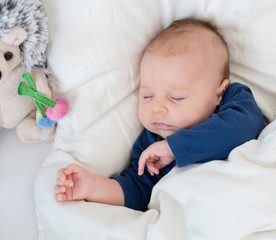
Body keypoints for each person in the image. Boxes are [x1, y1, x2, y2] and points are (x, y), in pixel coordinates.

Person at [55, 18, 265, 211]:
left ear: (218, 93)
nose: (157, 108)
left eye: (176, 97)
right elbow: (138, 190)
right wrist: (93, 188)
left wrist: (173, 148)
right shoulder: (151, 144)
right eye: (147, 96)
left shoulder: (233, 102)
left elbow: (242, 128)